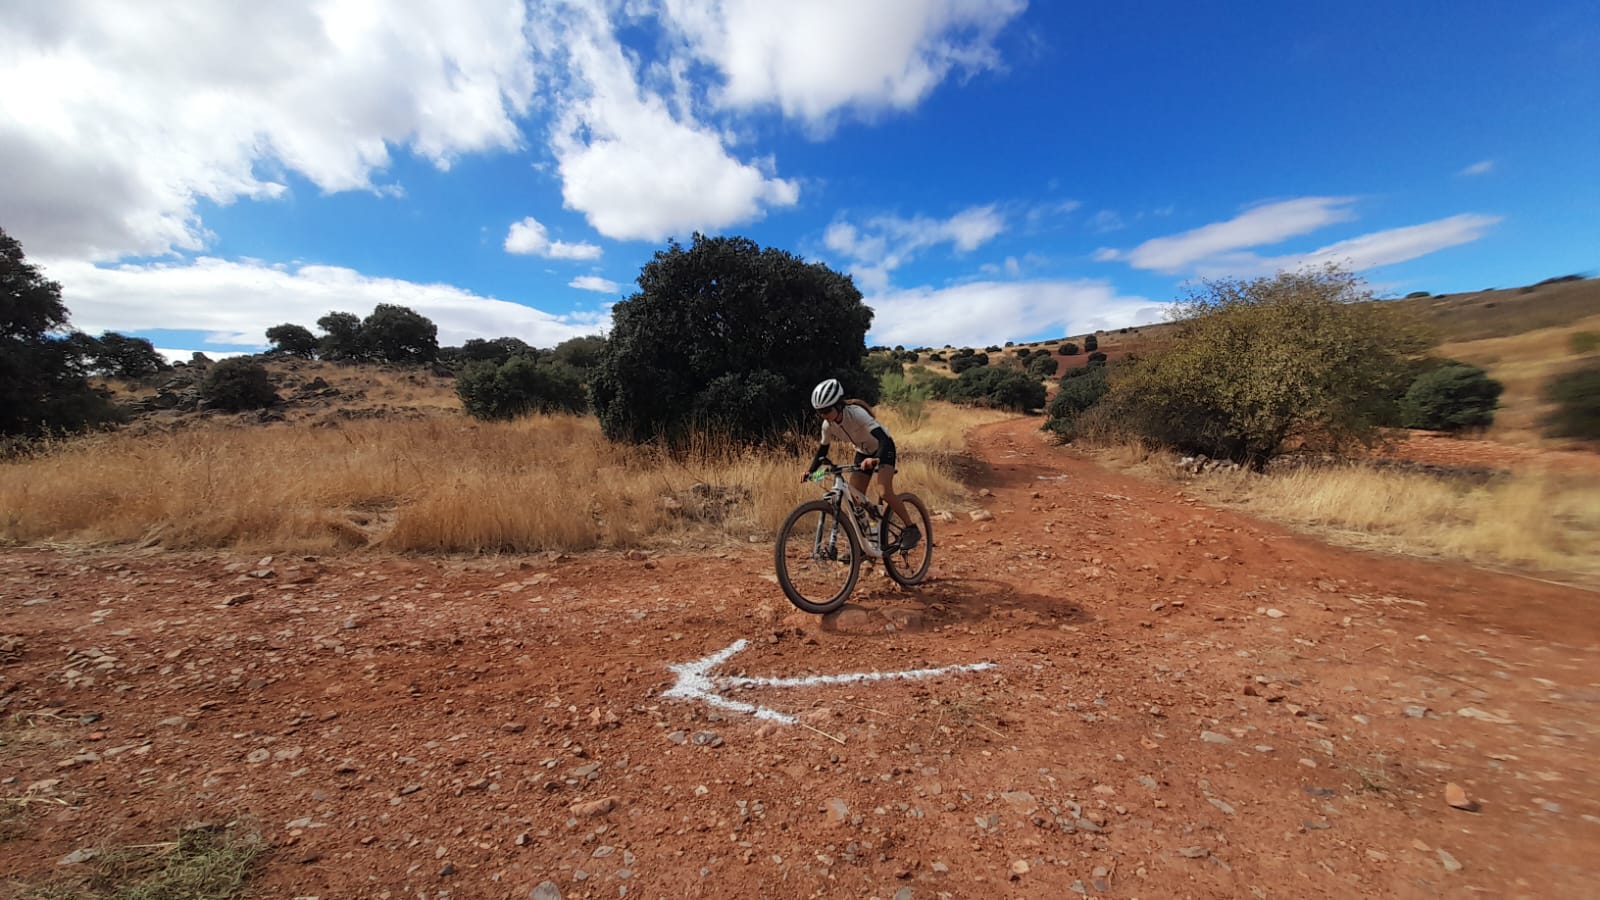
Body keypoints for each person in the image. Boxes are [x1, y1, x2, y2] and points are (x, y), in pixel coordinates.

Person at [804, 378, 921, 551]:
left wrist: (876, 459)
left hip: (884, 448)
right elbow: (822, 451)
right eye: (820, 412)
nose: (824, 415)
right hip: (863, 452)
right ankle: (866, 541)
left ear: (838, 405)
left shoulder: (857, 414)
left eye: (827, 410)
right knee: (854, 499)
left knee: (885, 491)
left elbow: (883, 439)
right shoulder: (827, 426)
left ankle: (911, 528)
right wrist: (811, 472)